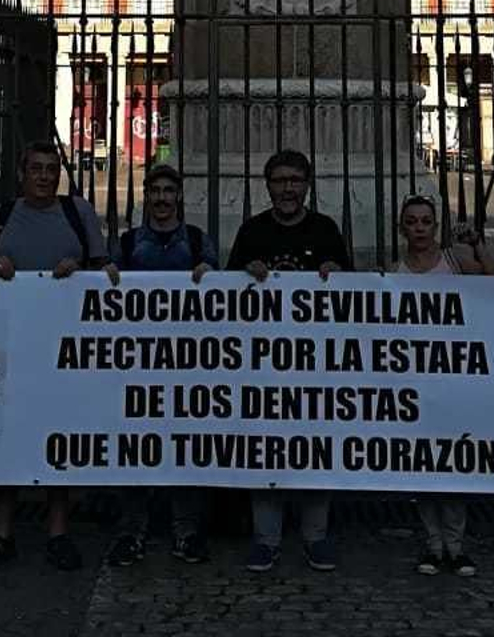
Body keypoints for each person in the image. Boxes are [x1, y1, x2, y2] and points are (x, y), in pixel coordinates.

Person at [0, 143, 109, 573]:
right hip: (9, 343)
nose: (45, 176)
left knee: (59, 437)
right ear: (21, 173)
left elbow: (105, 272)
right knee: (8, 437)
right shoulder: (3, 215)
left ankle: (58, 530)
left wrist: (79, 270)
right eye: (36, 169)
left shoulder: (78, 213)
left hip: (65, 347)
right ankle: (2, 533)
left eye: (52, 169)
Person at [227, 149, 347, 573]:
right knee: (265, 446)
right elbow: (226, 295)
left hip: (316, 360)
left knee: (316, 447)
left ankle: (316, 535)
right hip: (263, 361)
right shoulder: (252, 231)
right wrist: (245, 274)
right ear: (268, 186)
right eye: (280, 181)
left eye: (295, 180)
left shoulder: (327, 229)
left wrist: (337, 271)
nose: (288, 189)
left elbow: (353, 298)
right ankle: (267, 538)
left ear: (308, 184)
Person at [104, 162, 214, 568]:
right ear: (147, 197)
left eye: (169, 191)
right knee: (135, 449)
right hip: (137, 364)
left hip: (189, 365)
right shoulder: (129, 243)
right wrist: (106, 277)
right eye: (156, 191)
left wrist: (212, 276)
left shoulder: (200, 243)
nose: (163, 198)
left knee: (187, 447)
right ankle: (132, 531)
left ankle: (186, 530)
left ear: (179, 197)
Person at [397, 193, 494, 576]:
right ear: (402, 227)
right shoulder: (394, 270)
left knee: (455, 466)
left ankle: (455, 544)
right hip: (415, 381)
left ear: (435, 226)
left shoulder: (455, 261)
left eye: (425, 221)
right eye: (412, 221)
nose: (419, 228)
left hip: (455, 379)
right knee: (423, 468)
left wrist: (477, 245)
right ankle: (433, 544)